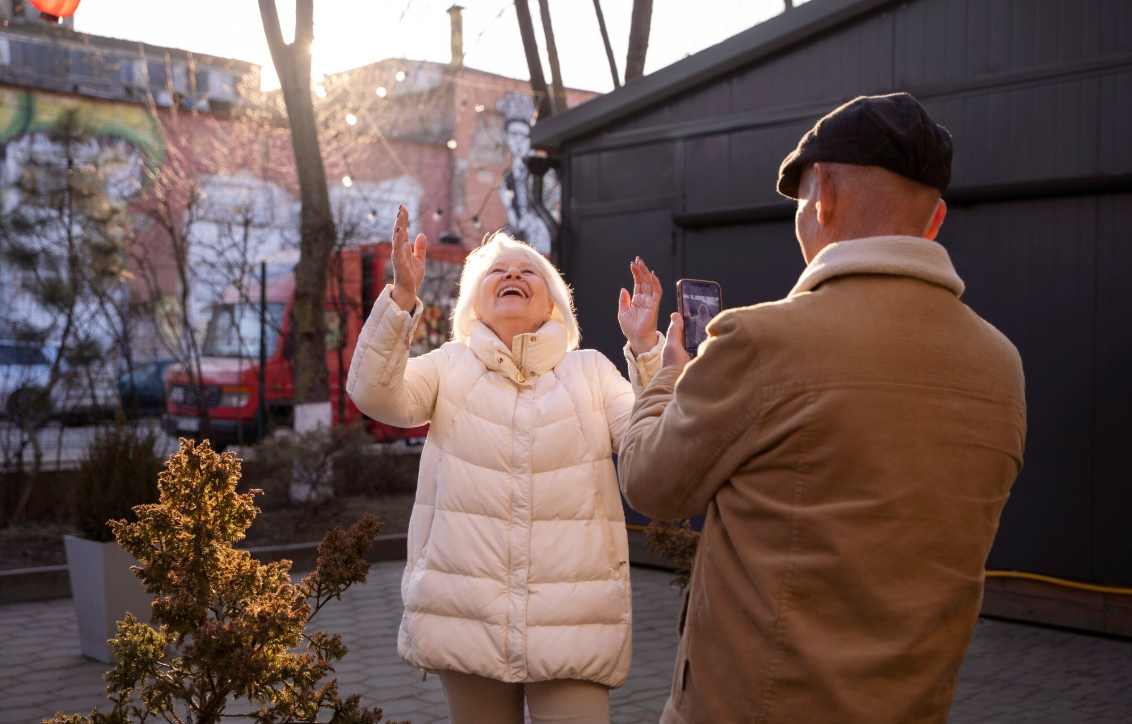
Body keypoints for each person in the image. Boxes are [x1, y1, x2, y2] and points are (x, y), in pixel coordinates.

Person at [617, 93, 1026, 723]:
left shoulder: (763, 340)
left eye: (803, 197)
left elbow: (650, 483)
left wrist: (667, 375)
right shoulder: (1000, 365)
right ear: (935, 218)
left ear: (824, 196)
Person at [347, 207, 666, 724]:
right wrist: (401, 297)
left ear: (554, 305)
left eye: (528, 270)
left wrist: (648, 349)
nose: (513, 275)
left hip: (575, 619)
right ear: (474, 301)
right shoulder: (450, 365)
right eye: (497, 271)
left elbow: (653, 447)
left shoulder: (592, 373)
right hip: (466, 611)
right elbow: (374, 395)